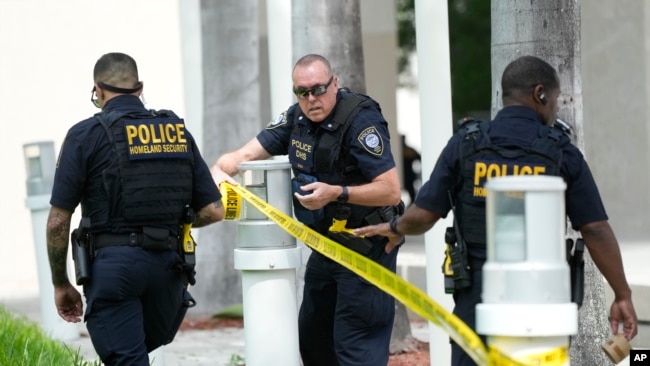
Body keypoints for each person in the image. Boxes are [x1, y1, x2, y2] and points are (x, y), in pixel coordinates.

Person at [354, 55, 638, 366]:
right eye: (555, 100)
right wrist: (622, 294)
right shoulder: (561, 151)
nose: (555, 108)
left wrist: (394, 229)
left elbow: (423, 215)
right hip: (539, 301)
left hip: (476, 297)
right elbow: (595, 229)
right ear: (540, 93)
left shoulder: (465, 144)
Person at [210, 53, 403, 366]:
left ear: (335, 83)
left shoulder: (360, 121)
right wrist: (220, 170)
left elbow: (391, 191)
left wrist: (336, 193)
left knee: (355, 347)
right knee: (313, 340)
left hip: (367, 247)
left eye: (318, 89)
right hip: (325, 247)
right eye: (302, 92)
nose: (311, 99)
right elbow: (244, 154)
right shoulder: (296, 119)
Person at [46, 52, 225, 365]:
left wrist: (61, 283)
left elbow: (58, 223)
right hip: (170, 270)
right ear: (140, 88)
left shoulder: (85, 135)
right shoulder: (176, 132)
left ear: (98, 91)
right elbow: (213, 211)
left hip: (115, 270)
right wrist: (171, 221)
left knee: (127, 359)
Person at [401, 134, 421, 204]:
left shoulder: (409, 150)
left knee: (412, 196)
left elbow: (419, 158)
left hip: (409, 176)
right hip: (406, 176)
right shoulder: (407, 150)